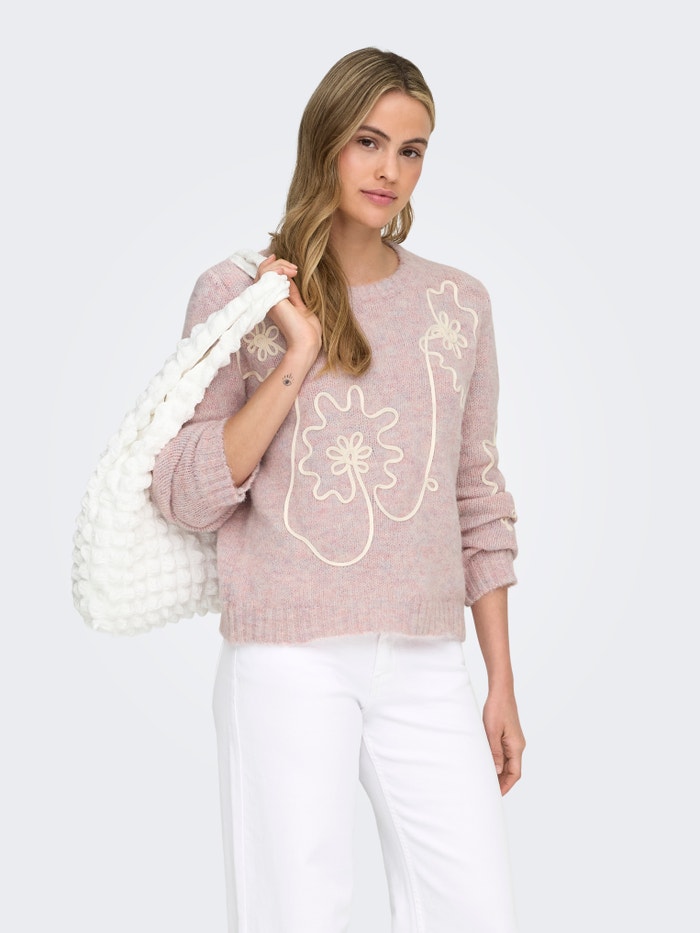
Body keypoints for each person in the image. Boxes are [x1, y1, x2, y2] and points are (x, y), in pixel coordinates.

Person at [151, 47, 525, 933]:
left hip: (428, 661)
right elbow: (187, 492)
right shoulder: (237, 292)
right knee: (296, 915)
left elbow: (477, 495)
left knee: (476, 910)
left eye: (412, 149)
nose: (390, 169)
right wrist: (300, 354)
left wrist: (501, 679)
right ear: (324, 140)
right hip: (287, 657)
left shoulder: (458, 303)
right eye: (369, 141)